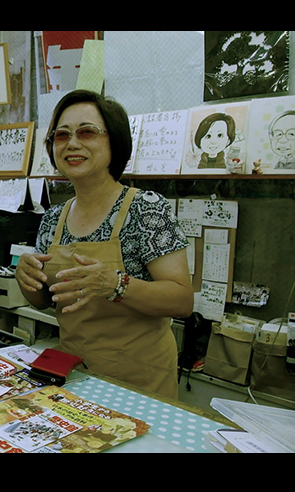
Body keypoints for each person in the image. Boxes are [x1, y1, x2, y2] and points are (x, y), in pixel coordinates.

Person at [15, 90, 193, 399]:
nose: (72, 143)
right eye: (61, 135)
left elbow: (181, 300)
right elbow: (44, 301)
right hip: (73, 375)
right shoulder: (53, 218)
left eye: (87, 132)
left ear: (115, 142)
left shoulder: (146, 209)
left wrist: (116, 285)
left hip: (139, 382)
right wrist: (26, 279)